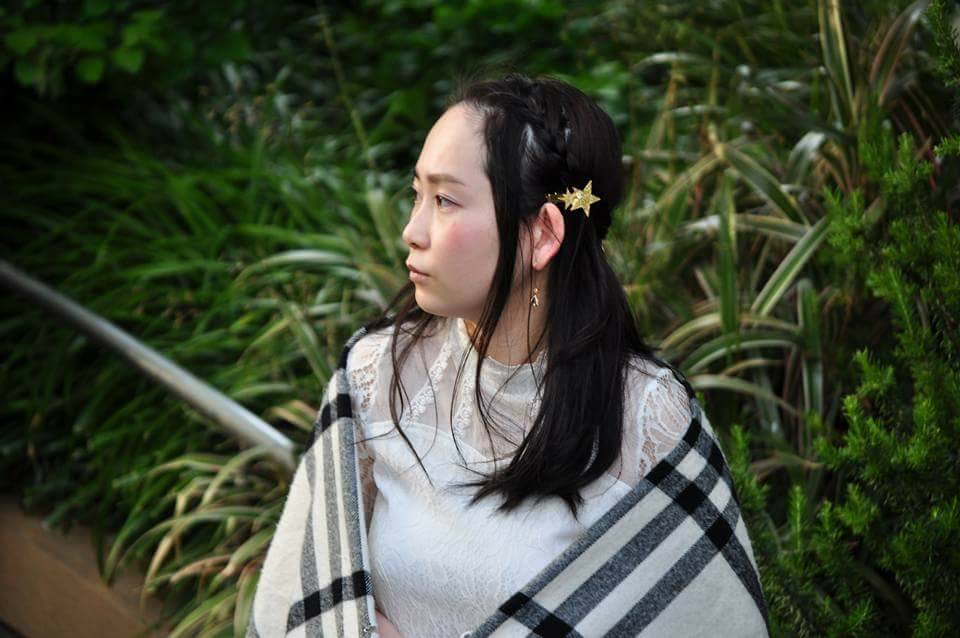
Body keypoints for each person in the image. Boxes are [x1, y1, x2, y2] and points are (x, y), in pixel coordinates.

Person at [247, 73, 768, 638]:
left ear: (542, 234)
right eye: (416, 194)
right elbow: (304, 595)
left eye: (445, 200)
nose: (412, 231)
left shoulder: (648, 421)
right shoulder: (378, 375)